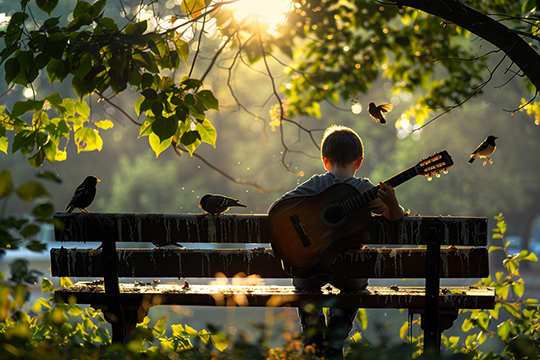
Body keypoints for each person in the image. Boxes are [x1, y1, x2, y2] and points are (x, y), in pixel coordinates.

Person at [275, 125, 404, 359]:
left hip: (309, 268)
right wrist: (393, 203)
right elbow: (393, 217)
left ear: (325, 161)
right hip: (349, 273)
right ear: (359, 161)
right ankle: (337, 332)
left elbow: (280, 208)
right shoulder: (364, 188)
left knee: (303, 282)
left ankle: (312, 332)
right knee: (355, 285)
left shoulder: (315, 184)